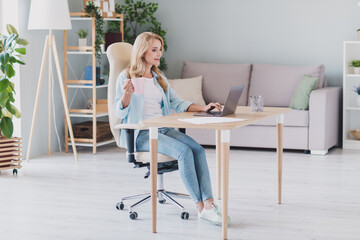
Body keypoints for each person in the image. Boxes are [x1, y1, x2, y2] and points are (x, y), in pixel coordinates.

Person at [114, 32, 230, 226]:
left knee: (198, 150)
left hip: (163, 129)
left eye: (160, 49)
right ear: (142, 51)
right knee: (184, 152)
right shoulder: (126, 77)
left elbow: (177, 102)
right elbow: (119, 111)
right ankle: (200, 208)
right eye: (154, 50)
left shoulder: (159, 78)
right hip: (142, 133)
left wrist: (204, 107)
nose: (159, 54)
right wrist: (126, 95)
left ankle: (209, 204)